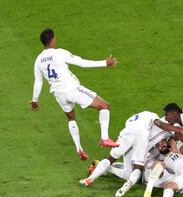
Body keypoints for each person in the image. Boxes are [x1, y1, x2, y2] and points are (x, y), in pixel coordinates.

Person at [30, 28, 118, 161]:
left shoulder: (38, 60)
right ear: (53, 39)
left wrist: (34, 100)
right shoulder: (59, 53)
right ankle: (105, 138)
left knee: (71, 119)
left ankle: (79, 148)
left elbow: (38, 82)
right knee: (105, 106)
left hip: (58, 94)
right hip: (72, 89)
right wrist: (104, 63)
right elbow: (82, 63)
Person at [79, 111, 183, 197]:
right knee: (134, 171)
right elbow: (162, 125)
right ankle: (120, 176)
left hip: (125, 134)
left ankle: (92, 177)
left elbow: (164, 124)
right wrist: (179, 130)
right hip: (141, 138)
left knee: (111, 158)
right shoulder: (160, 127)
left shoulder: (143, 116)